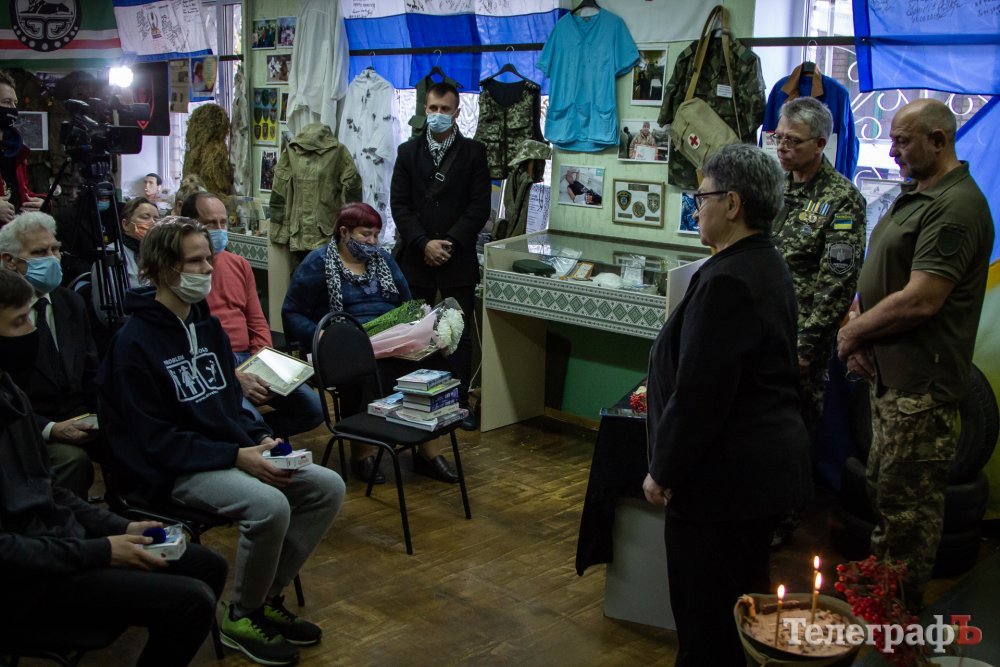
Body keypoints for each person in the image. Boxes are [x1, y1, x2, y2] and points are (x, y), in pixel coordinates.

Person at [96, 218, 346, 666]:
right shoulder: (132, 344)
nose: (208, 269)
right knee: (269, 506)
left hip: (223, 452)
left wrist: (260, 438)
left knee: (327, 486)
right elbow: (154, 441)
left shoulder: (206, 325)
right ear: (163, 269)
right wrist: (237, 456)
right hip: (172, 469)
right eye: (195, 261)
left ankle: (265, 598)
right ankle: (241, 615)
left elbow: (229, 402)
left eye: (208, 258)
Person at [0, 267, 228, 666]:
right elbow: (7, 550)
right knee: (190, 602)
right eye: (20, 321)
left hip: (58, 546)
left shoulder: (9, 390)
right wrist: (102, 551)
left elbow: (49, 490)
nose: (33, 331)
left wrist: (119, 528)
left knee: (206, 565)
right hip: (24, 583)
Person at [642, 143, 811, 666]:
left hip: (722, 484)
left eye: (703, 197)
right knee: (738, 615)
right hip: (753, 477)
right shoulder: (764, 262)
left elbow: (701, 396)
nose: (697, 208)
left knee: (708, 626)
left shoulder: (729, 280)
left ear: (733, 204)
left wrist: (663, 470)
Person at [836, 99, 993, 611]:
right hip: (889, 379)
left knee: (909, 510)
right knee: (886, 490)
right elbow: (883, 272)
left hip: (921, 390)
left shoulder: (957, 207)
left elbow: (922, 298)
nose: (892, 152)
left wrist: (852, 334)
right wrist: (858, 320)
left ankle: (896, 617)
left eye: (902, 141)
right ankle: (879, 594)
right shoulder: (917, 194)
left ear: (938, 141)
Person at [282, 202, 460, 485]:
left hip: (392, 341)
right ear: (344, 232)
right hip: (343, 345)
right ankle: (362, 453)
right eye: (365, 234)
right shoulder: (318, 262)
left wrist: (417, 330)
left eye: (377, 235)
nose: (373, 241)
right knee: (366, 372)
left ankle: (428, 451)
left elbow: (406, 304)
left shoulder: (384, 260)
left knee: (432, 366)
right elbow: (291, 312)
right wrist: (322, 335)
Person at [770, 96, 866, 547]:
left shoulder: (841, 199)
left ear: (821, 144)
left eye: (793, 141)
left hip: (801, 337)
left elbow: (837, 283)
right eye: (778, 137)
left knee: (793, 431)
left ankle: (782, 520)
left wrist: (806, 348)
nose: (782, 147)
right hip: (762, 328)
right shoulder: (773, 185)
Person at [181, 191, 323, 444]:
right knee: (250, 420)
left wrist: (261, 363)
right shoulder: (186, 274)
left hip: (249, 357)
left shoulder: (238, 264)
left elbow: (256, 320)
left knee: (313, 408)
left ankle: (245, 438)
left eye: (223, 222)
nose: (219, 230)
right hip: (214, 362)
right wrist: (235, 376)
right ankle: (251, 438)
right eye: (210, 224)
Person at [390, 81, 490, 431]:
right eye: (433, 108)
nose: (437, 115)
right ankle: (408, 397)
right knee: (410, 331)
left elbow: (479, 208)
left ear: (457, 112)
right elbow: (399, 205)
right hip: (415, 258)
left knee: (457, 335)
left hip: (456, 259)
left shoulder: (474, 153)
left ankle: (459, 403)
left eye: (444, 109)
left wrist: (447, 243)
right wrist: (423, 243)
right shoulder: (407, 152)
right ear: (425, 109)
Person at [0, 212, 99, 499]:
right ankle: (54, 521)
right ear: (10, 261)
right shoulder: (4, 314)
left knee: (132, 435)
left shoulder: (71, 302)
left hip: (81, 415)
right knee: (72, 460)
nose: (53, 259)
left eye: (56, 249)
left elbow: (91, 371)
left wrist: (106, 415)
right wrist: (51, 429)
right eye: (40, 252)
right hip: (28, 424)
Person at [0, 70, 44, 223]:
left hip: (16, 233)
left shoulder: (16, 150)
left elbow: (21, 192)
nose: (13, 108)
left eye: (15, 103)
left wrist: (42, 203)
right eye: (6, 102)